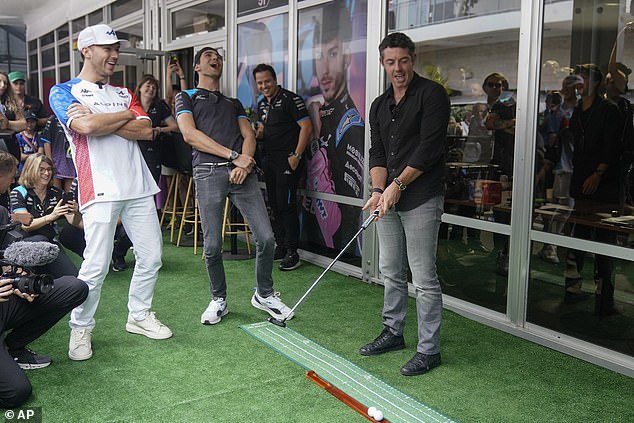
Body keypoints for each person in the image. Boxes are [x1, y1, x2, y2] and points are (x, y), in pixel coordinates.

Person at [48, 24, 172, 361]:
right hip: (98, 186)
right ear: (86, 50)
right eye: (107, 48)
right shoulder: (63, 91)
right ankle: (81, 328)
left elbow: (146, 131)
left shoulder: (123, 92)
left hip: (138, 185)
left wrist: (105, 118)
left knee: (151, 257)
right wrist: (123, 118)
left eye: (116, 48)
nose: (114, 54)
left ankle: (139, 315)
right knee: (95, 266)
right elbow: (85, 128)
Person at [175, 46, 293, 325]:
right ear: (197, 68)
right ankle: (219, 300)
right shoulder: (186, 96)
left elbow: (248, 134)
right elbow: (190, 135)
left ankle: (264, 294)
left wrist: (246, 161)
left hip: (242, 173)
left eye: (218, 56)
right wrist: (233, 156)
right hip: (207, 172)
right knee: (213, 245)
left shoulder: (233, 103)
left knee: (266, 238)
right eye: (208, 57)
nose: (215, 59)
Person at [360, 33, 449, 376]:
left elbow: (429, 148)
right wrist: (379, 188)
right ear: (383, 64)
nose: (397, 68)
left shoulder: (432, 95)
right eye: (390, 62)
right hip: (389, 196)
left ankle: (429, 350)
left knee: (424, 277)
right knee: (391, 271)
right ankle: (393, 333)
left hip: (421, 196)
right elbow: (378, 152)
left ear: (413, 59)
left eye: (403, 60)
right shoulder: (380, 105)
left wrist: (398, 184)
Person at [0, 150, 88, 409]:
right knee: (17, 393)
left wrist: (18, 278)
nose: (48, 174)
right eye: (9, 177)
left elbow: (7, 256)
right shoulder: (18, 195)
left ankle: (13, 347)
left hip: (7, 300)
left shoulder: (2, 213)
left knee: (75, 286)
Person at [304, 2, 365, 250]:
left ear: (347, 58)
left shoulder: (351, 125)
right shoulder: (317, 110)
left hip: (338, 253)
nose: (325, 68)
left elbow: (342, 224)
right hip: (311, 244)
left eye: (332, 53)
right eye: (319, 56)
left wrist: (316, 140)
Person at [564, 64, 622, 315]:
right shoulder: (578, 110)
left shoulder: (609, 109)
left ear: (596, 83)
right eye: (577, 78)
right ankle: (573, 289)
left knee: (604, 240)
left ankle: (604, 296)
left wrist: (598, 173)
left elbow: (613, 146)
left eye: (584, 78)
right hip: (580, 181)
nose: (579, 83)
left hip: (604, 184)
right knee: (578, 237)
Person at [111, 74, 179, 271]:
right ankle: (119, 251)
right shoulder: (129, 105)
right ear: (139, 88)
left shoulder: (160, 107)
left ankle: (127, 250)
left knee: (146, 208)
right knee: (129, 207)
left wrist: (158, 130)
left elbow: (175, 126)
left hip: (152, 159)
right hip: (129, 160)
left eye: (154, 87)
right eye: (147, 86)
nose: (151, 89)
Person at [253, 63, 312, 271]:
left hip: (288, 161)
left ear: (275, 79)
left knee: (286, 206)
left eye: (267, 81)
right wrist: (256, 134)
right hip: (269, 161)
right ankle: (280, 245)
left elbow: (307, 126)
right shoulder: (261, 104)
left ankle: (292, 252)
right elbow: (263, 130)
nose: (264, 86)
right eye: (260, 83)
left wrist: (297, 155)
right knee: (275, 205)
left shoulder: (290, 99)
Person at [10, 154, 81, 278]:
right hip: (24, 243)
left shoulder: (56, 193)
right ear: (30, 170)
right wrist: (51, 216)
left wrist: (75, 212)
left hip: (49, 243)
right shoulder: (18, 192)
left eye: (49, 169)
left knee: (73, 278)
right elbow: (25, 226)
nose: (47, 173)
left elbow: (73, 222)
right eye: (41, 169)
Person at [40, 113, 77, 192]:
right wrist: (49, 161)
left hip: (71, 162)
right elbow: (46, 141)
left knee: (70, 193)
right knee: (55, 191)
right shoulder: (53, 119)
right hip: (56, 161)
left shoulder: (76, 118)